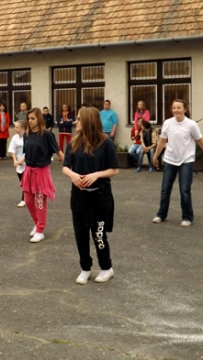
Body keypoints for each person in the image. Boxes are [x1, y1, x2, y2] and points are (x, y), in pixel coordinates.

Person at [63, 107, 119, 285]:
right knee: (80, 235)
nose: (76, 122)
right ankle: (85, 268)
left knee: (99, 235)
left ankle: (106, 268)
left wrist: (97, 175)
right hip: (79, 197)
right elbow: (65, 167)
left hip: (100, 197)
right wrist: (72, 175)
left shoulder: (106, 143)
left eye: (79, 119)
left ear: (89, 121)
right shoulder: (74, 143)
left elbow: (114, 170)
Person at [152, 99, 203, 227]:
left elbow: (200, 141)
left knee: (185, 190)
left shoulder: (191, 125)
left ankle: (187, 217)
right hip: (170, 159)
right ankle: (161, 214)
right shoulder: (168, 123)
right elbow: (162, 141)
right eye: (174, 108)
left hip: (186, 160)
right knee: (165, 189)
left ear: (185, 109)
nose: (176, 110)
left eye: (179, 108)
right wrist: (155, 156)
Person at [22, 107, 65, 243]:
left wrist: (69, 166)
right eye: (28, 119)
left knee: (40, 202)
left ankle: (40, 230)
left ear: (39, 119)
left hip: (41, 172)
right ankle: (37, 223)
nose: (30, 121)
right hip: (29, 171)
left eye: (33, 118)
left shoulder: (47, 134)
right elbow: (27, 153)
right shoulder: (26, 134)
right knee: (28, 200)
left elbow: (58, 152)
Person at [8, 120, 27, 207]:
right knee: (22, 183)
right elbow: (12, 150)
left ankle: (24, 200)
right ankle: (31, 195)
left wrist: (23, 160)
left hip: (27, 164)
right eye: (15, 127)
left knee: (25, 183)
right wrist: (15, 160)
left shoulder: (27, 137)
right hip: (19, 166)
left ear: (22, 128)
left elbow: (30, 151)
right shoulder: (15, 138)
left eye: (17, 127)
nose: (15, 129)